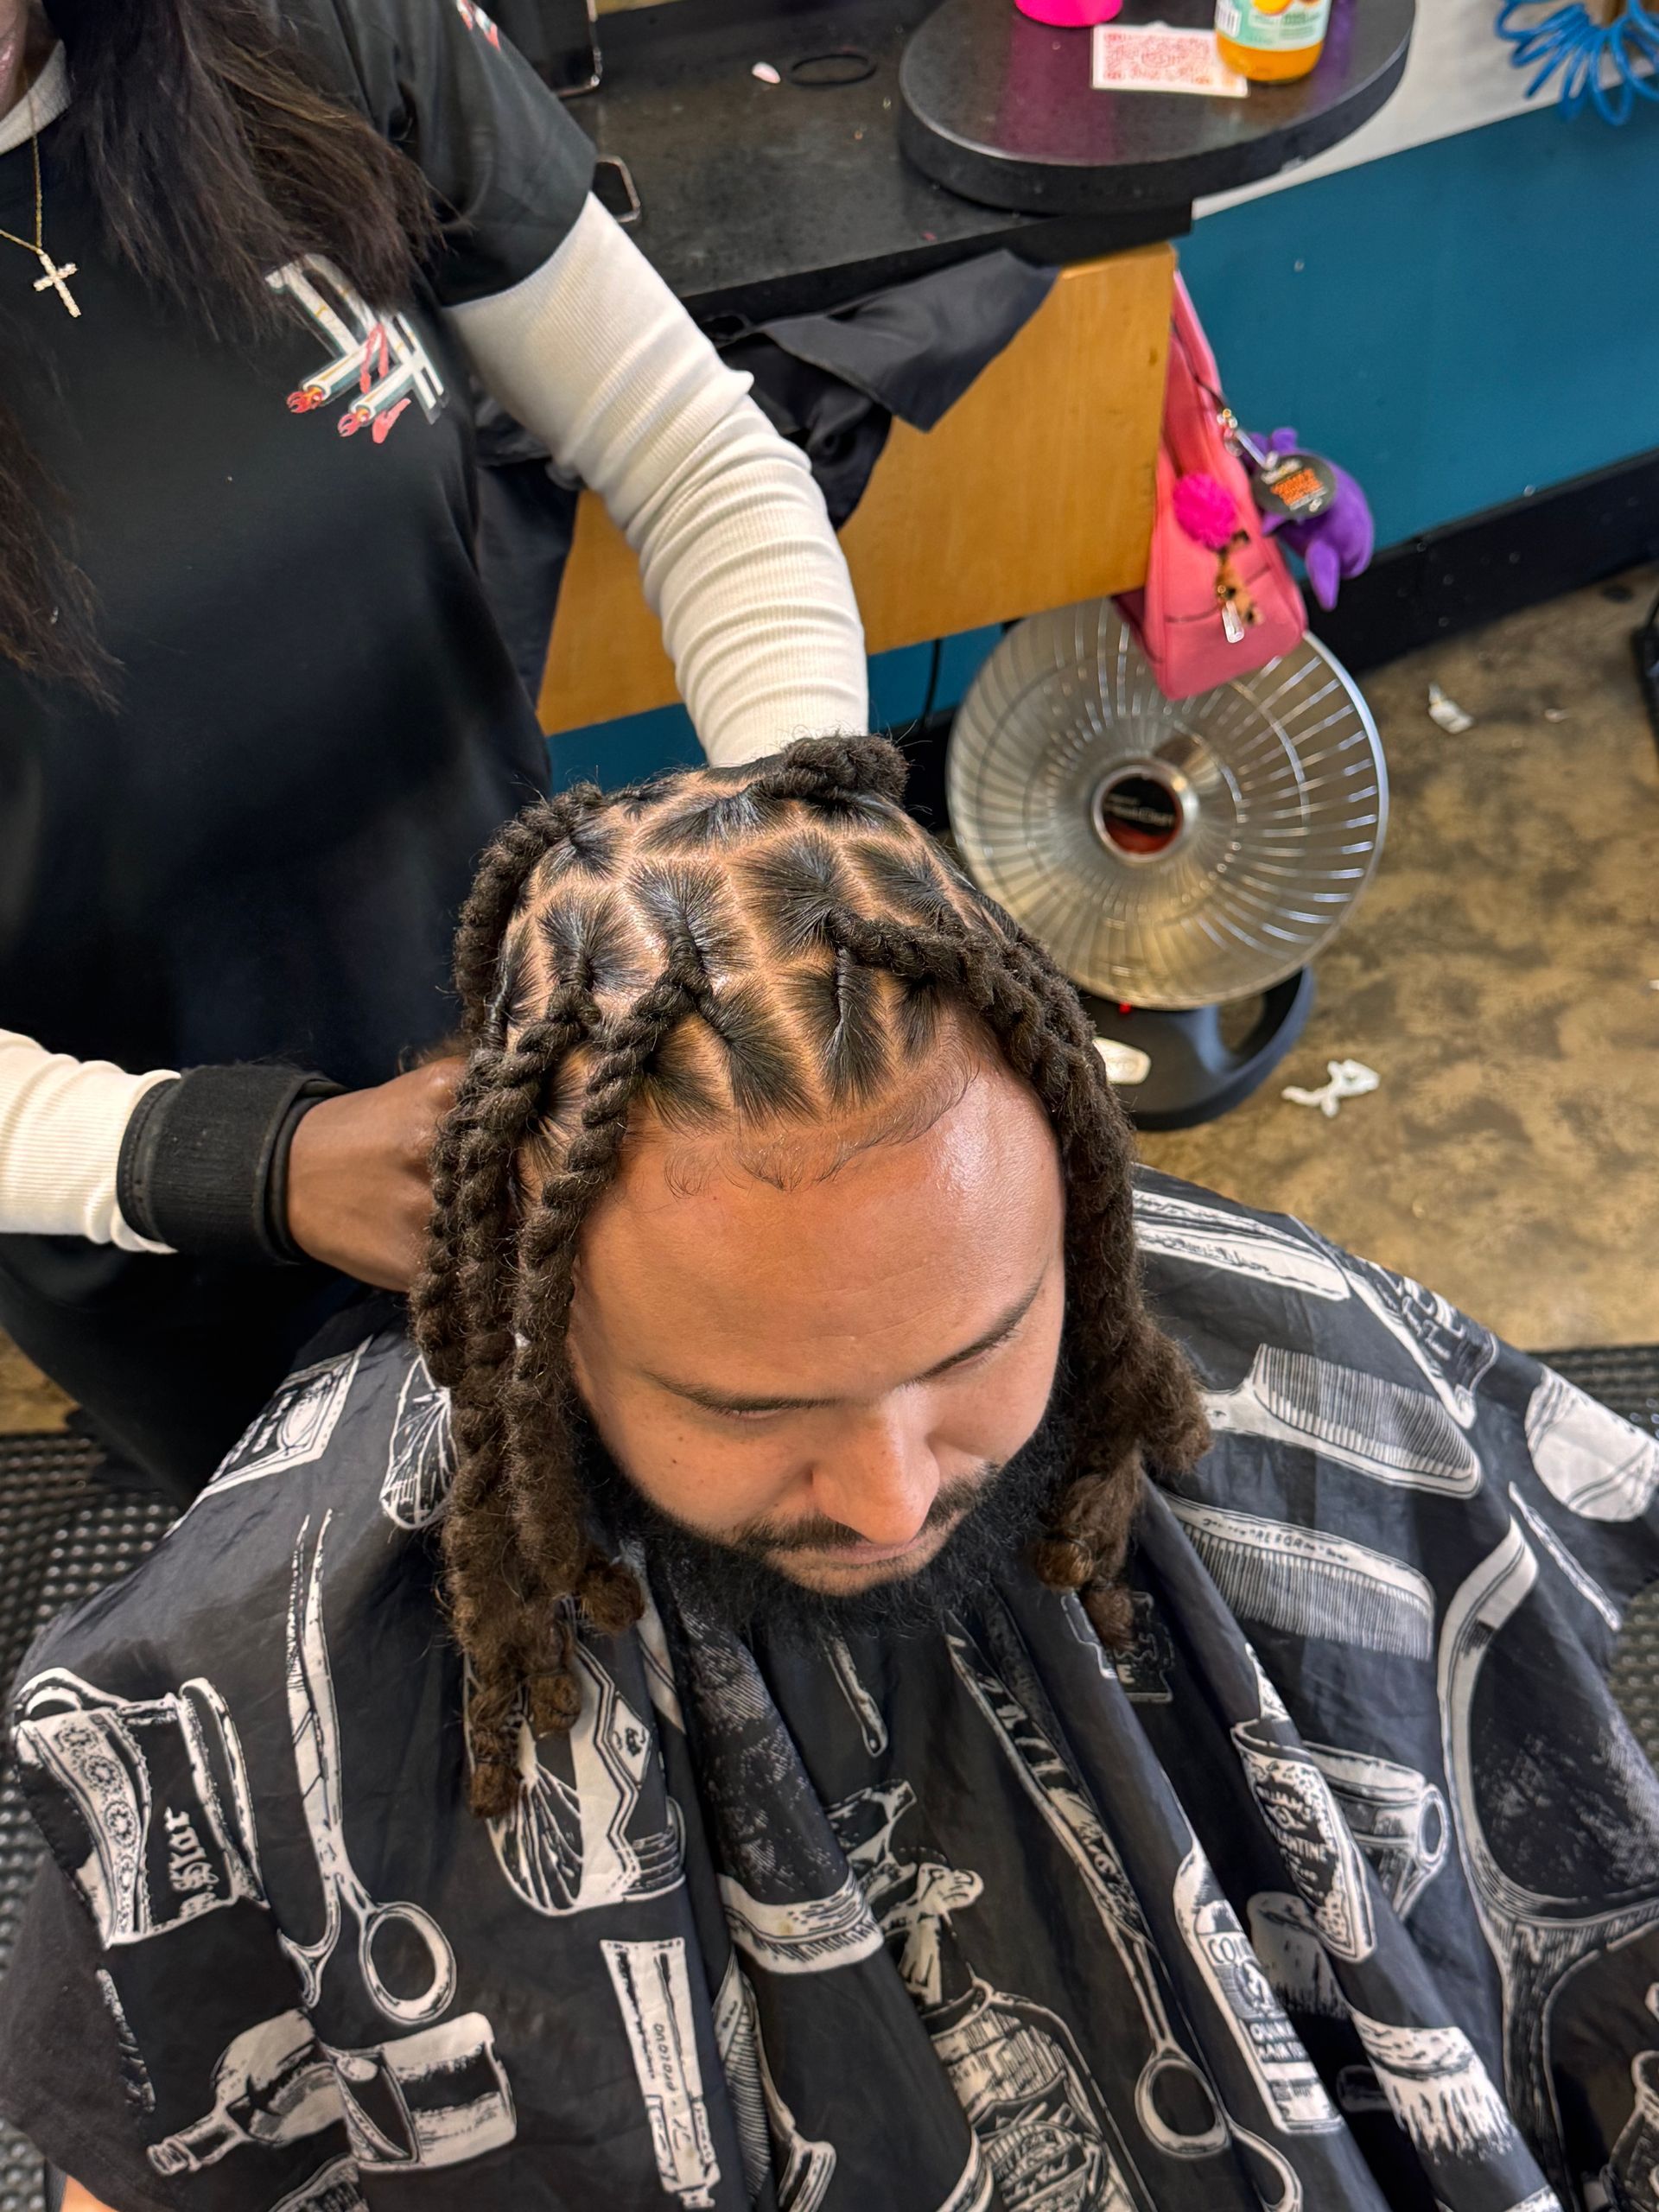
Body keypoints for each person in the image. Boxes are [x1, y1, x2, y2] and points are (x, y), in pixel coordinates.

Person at [5, 736, 1659, 2212]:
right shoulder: (270, 1654)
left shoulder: (1303, 1348)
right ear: (543, 1313)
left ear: (1081, 1210)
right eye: (747, 1408)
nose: (888, 1498)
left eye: (976, 1351)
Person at [0, 0, 868, 1499]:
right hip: (145, 1204)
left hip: (537, 1034)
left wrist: (797, 862)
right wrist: (248, 1165)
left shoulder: (311, 30)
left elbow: (696, 456)